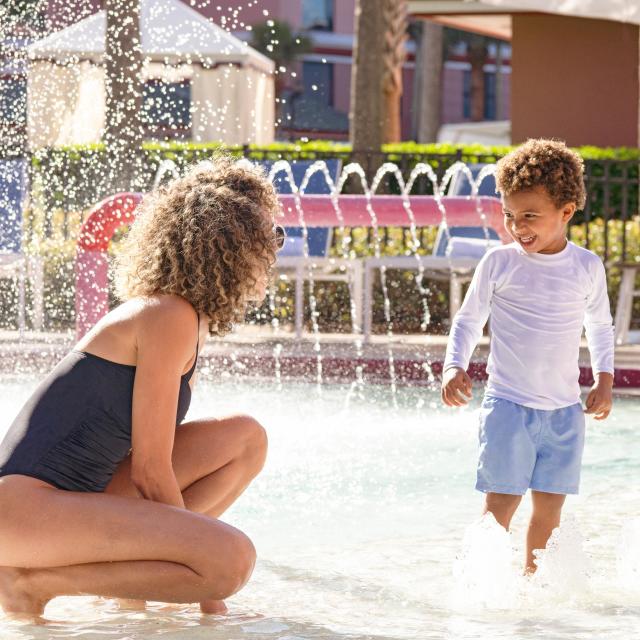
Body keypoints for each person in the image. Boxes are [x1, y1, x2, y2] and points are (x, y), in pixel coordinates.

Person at [0, 157, 285, 617]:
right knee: (232, 560)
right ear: (229, 245)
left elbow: (144, 465)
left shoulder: (176, 316)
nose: (273, 253)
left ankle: (123, 582)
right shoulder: (169, 316)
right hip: (21, 511)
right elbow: (150, 472)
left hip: (71, 502)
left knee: (244, 439)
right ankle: (31, 583)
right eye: (269, 237)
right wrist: (209, 584)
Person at [441, 139, 614, 573]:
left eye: (530, 216)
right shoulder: (499, 263)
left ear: (566, 212)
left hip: (563, 413)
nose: (518, 226)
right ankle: (476, 584)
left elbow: (599, 326)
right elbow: (467, 320)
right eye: (510, 216)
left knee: (550, 515)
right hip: (509, 407)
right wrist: (454, 366)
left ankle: (532, 593)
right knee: (500, 504)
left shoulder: (587, 267)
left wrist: (605, 378)